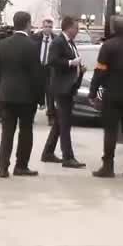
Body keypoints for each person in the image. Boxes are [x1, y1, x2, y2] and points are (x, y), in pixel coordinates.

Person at [89, 15, 123, 178]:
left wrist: (93, 92)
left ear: (113, 29)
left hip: (112, 94)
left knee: (110, 131)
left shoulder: (108, 46)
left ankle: (108, 167)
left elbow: (100, 70)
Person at [0, 10, 43, 177]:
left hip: (6, 94)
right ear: (28, 24)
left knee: (7, 132)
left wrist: (0, 92)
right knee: (25, 131)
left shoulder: (2, 45)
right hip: (27, 97)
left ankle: (3, 168)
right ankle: (21, 166)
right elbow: (37, 74)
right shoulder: (32, 46)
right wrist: (41, 98)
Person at [39, 15, 85, 167]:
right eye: (76, 28)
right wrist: (71, 63)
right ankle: (68, 157)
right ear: (69, 28)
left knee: (60, 122)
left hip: (69, 86)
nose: (77, 31)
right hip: (61, 87)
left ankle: (48, 152)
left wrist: (80, 68)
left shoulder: (69, 42)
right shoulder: (58, 42)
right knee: (65, 123)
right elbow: (52, 61)